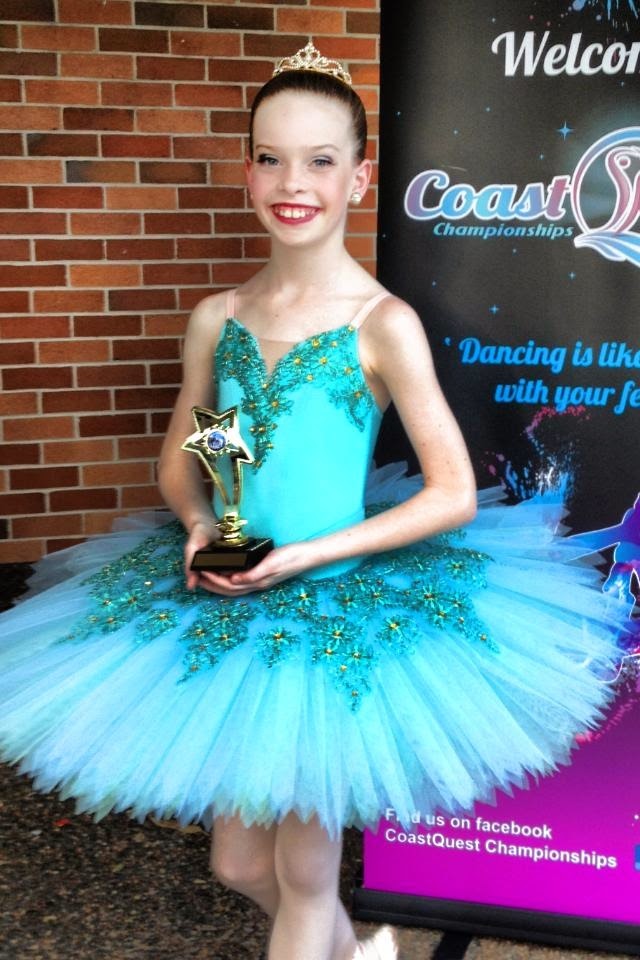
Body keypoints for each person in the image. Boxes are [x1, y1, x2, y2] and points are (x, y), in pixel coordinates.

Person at [0, 41, 628, 960]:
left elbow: (453, 493)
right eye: (271, 157)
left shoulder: (382, 324)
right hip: (227, 596)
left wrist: (300, 556)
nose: (293, 183)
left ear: (359, 179)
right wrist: (202, 523)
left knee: (303, 875)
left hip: (333, 608)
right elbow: (187, 457)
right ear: (247, 170)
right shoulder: (218, 317)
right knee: (237, 866)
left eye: (320, 161)